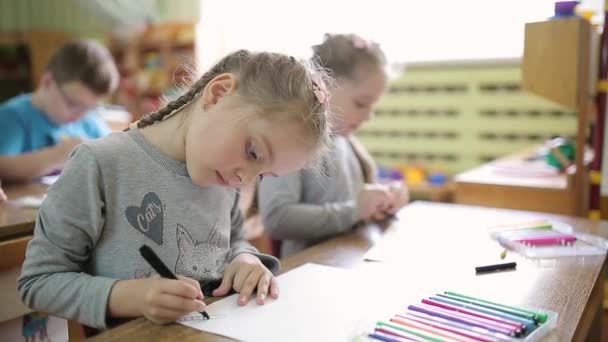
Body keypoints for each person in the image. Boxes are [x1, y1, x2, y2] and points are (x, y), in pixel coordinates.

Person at [18, 49, 333, 329]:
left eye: (262, 174)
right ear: (218, 93)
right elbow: (39, 282)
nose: (244, 180)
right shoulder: (101, 164)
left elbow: (234, 240)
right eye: (252, 153)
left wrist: (246, 261)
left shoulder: (225, 176)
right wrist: (134, 297)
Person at [258, 34, 409, 258]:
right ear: (324, 85)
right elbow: (277, 218)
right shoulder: (292, 142)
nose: (369, 116)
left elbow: (352, 201)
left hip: (348, 259)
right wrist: (355, 211)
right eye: (361, 103)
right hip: (307, 270)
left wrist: (384, 199)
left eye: (372, 105)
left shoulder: (347, 143)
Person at [0, 40, 119, 181]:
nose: (79, 116)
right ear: (48, 81)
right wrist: (55, 157)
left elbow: (116, 156)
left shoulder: (88, 121)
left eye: (90, 108)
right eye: (73, 104)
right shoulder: (13, 118)